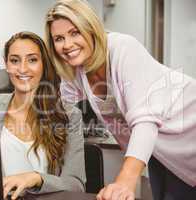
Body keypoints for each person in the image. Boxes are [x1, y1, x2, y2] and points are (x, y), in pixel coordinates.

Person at [45, 0, 196, 200]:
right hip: (161, 149)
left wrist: (124, 181)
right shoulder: (77, 71)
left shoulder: (122, 47)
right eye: (59, 38)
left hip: (189, 131)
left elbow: (145, 120)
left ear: (91, 28)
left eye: (75, 32)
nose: (67, 45)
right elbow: (56, 107)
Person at [0, 31, 86, 200]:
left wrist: (37, 178)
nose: (23, 68)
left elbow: (76, 185)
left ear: (43, 64)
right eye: (14, 60)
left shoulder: (69, 115)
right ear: (6, 65)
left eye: (32, 60)